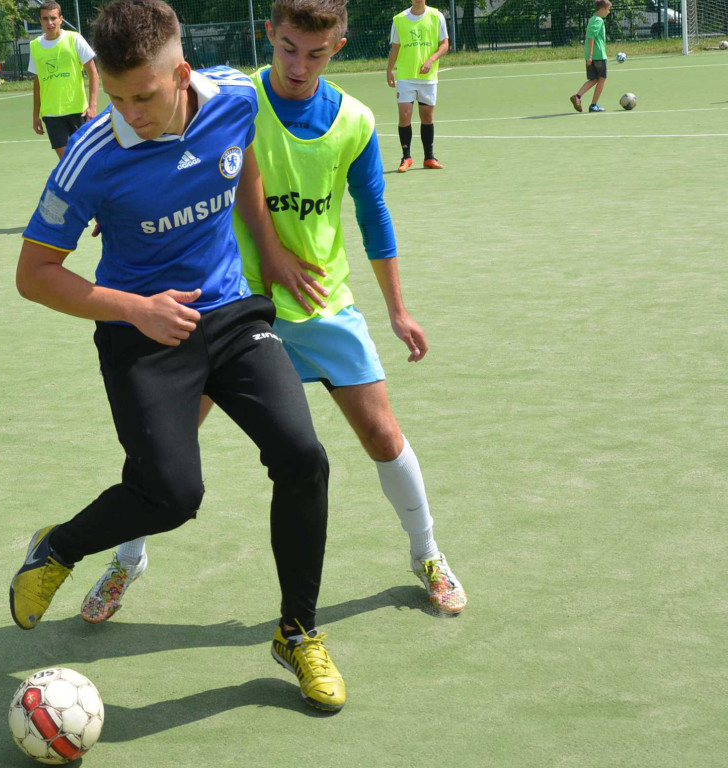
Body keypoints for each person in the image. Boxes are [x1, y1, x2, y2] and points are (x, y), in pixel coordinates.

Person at [82, 0, 467, 628]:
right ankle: (128, 557)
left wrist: (398, 310)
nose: (298, 64)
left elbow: (373, 216)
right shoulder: (231, 96)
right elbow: (151, 131)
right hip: (229, 309)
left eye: (315, 53)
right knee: (164, 453)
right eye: (288, 47)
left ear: (339, 45)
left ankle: (426, 552)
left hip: (321, 303)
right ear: (271, 34)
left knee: (381, 435)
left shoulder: (357, 121)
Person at [10, 0, 346, 713]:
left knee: (303, 456)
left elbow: (242, 163)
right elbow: (33, 274)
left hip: (228, 312)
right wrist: (137, 308)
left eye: (147, 96)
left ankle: (297, 632)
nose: (131, 112)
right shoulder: (90, 157)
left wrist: (272, 247)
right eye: (118, 96)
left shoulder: (233, 98)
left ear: (181, 74)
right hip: (141, 333)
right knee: (171, 495)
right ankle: (60, 547)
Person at [29, 1, 100, 158]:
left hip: (78, 111)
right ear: (40, 21)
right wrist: (36, 115)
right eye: (45, 18)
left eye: (53, 18)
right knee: (66, 162)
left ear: (61, 19)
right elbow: (37, 83)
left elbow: (93, 73)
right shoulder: (35, 46)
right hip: (51, 114)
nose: (50, 22)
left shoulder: (74, 39)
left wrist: (92, 106)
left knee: (85, 158)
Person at [385, 0, 448, 172]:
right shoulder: (399, 19)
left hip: (428, 77)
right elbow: (395, 47)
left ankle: (429, 157)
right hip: (406, 76)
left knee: (427, 117)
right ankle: (406, 158)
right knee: (405, 116)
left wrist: (431, 60)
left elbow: (444, 44)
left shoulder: (436, 16)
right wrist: (389, 69)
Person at [570, 0, 612, 113]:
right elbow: (590, 37)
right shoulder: (598, 20)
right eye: (608, 9)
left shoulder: (592, 19)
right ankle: (593, 105)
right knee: (602, 79)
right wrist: (591, 55)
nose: (609, 12)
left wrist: (589, 55)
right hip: (598, 55)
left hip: (592, 55)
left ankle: (577, 97)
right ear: (602, 9)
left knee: (594, 79)